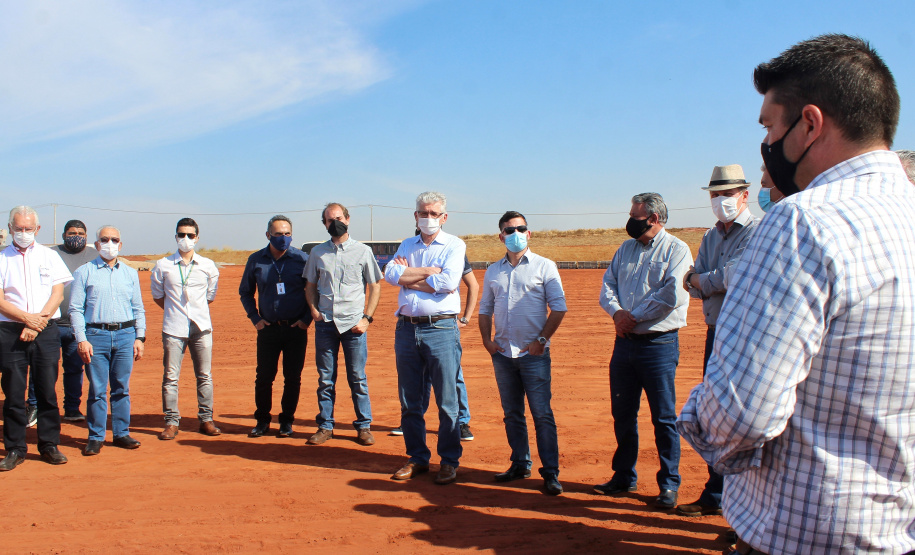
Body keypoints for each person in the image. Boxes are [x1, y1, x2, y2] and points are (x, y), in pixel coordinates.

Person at [677, 34, 915, 554]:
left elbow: (740, 414)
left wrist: (694, 419)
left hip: (808, 531)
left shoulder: (803, 222)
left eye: (769, 125)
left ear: (809, 123)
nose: (766, 144)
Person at [595, 193, 691, 510]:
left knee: (663, 417)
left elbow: (672, 294)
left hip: (658, 345)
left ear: (653, 218)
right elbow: (607, 285)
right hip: (624, 344)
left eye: (635, 215)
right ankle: (624, 476)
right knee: (623, 413)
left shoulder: (677, 250)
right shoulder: (625, 249)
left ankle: (669, 485)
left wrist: (633, 316)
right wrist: (617, 313)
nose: (630, 220)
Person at [676, 166, 760, 518]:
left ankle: (747, 502)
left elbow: (735, 277)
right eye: (714, 195)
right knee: (715, 413)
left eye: (727, 194)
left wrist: (703, 279)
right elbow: (694, 283)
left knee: (747, 416)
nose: (720, 201)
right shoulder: (711, 237)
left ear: (744, 194)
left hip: (746, 335)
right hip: (716, 333)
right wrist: (706, 280)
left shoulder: (758, 232)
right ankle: (716, 492)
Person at [479, 211, 567, 496]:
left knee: (542, 414)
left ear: (528, 233)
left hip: (534, 354)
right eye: (509, 229)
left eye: (520, 228)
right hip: (503, 353)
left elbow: (559, 307)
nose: (515, 233)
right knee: (512, 414)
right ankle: (519, 464)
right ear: (501, 235)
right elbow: (485, 310)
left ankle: (550, 473)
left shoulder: (545, 266)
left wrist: (541, 340)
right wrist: (486, 341)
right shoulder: (493, 270)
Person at [385, 191, 466, 485]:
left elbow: (448, 283)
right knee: (410, 401)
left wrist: (408, 275)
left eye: (434, 213)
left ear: (444, 217)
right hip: (407, 328)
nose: (428, 218)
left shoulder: (454, 245)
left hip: (441, 329)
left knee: (447, 400)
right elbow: (390, 275)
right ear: (415, 216)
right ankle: (417, 457)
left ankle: (448, 461)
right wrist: (425, 272)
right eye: (423, 213)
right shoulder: (407, 244)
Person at [304, 203, 382, 446]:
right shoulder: (317, 253)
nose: (334, 222)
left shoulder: (362, 251)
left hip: (353, 325)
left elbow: (375, 285)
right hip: (326, 323)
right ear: (324, 224)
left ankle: (364, 426)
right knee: (325, 378)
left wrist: (367, 318)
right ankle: (325, 426)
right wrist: (314, 310)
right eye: (329, 220)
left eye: (338, 218)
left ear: (347, 219)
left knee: (357, 377)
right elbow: (309, 285)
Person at [0, 206, 72, 470]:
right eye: (18, 228)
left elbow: (58, 294)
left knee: (46, 390)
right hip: (10, 332)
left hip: (46, 330)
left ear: (37, 230)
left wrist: (38, 321)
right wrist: (25, 319)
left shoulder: (49, 256)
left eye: (28, 229)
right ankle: (15, 448)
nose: (23, 233)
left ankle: (49, 445)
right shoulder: (2, 258)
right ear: (9, 228)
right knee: (14, 393)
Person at [70, 225, 146, 456]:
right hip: (96, 336)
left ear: (120, 245)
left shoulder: (130, 273)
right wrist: (81, 340)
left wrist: (140, 337)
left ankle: (121, 433)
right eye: (105, 239)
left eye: (114, 240)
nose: (110, 243)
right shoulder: (84, 272)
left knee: (121, 387)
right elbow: (75, 309)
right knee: (97, 389)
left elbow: (138, 308)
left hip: (125, 335)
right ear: (97, 244)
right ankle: (96, 436)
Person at [391, 242, 478, 441]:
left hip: (441, 327)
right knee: (418, 377)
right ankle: (414, 418)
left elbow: (469, 284)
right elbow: (393, 274)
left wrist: (465, 317)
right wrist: (426, 278)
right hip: (411, 327)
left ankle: (462, 421)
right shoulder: (408, 251)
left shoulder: (451, 253)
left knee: (452, 376)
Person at [239, 215, 311, 438]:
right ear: (268, 235)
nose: (283, 238)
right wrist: (255, 318)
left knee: (293, 378)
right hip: (268, 329)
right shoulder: (256, 260)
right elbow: (245, 292)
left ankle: (287, 422)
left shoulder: (302, 259)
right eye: (278, 234)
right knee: (264, 377)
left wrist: (306, 319)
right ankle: (262, 421)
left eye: (287, 234)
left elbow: (314, 291)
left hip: (295, 329)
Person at [150, 218, 221, 440]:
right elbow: (158, 296)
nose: (186, 239)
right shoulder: (163, 265)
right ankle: (171, 422)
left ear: (197, 238)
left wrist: (193, 310)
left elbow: (210, 295)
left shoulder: (207, 266)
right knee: (171, 377)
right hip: (173, 328)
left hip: (201, 327)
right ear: (176, 237)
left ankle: (206, 419)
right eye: (181, 235)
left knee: (205, 375)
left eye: (190, 235)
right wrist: (176, 311)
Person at [34, 220, 97, 424]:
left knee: (74, 369)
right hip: (50, 323)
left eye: (80, 233)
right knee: (43, 367)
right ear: (63, 235)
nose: (76, 236)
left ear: (86, 236)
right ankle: (35, 406)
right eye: (71, 233)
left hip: (78, 326)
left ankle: (71, 408)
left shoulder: (94, 256)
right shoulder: (49, 254)